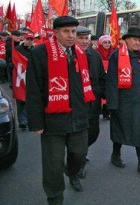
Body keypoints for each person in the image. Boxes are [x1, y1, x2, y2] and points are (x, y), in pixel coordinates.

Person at [26, 16, 96, 204]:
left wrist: (90, 110)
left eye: (73, 31)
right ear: (55, 33)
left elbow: (88, 84)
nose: (71, 36)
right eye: (66, 32)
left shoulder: (81, 53)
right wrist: (37, 122)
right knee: (53, 165)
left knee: (79, 154)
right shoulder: (40, 53)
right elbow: (33, 89)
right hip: (52, 121)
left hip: (78, 118)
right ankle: (55, 197)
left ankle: (72, 172)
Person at [105, 26, 140, 177]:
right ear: (126, 40)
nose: (137, 42)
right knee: (120, 129)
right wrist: (112, 104)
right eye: (134, 39)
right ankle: (115, 155)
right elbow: (111, 81)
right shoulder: (116, 56)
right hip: (123, 102)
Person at [74, 26, 106, 178]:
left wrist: (104, 95)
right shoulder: (70, 55)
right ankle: (77, 163)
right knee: (80, 134)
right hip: (77, 102)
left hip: (93, 100)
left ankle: (80, 153)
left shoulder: (95, 55)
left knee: (93, 133)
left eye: (86, 38)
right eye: (80, 38)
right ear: (74, 38)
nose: (84, 41)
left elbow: (101, 78)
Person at [12, 32, 34, 130]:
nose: (29, 41)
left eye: (31, 40)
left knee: (29, 100)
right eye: (28, 39)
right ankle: (22, 121)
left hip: (31, 79)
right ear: (24, 39)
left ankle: (27, 119)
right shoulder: (17, 50)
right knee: (20, 100)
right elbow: (11, 62)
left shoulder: (35, 51)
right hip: (19, 79)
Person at [96, 34, 113, 120]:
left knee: (108, 95)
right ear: (101, 43)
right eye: (105, 42)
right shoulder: (97, 52)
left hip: (110, 77)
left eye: (109, 42)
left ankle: (106, 112)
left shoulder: (113, 53)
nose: (107, 44)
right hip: (100, 77)